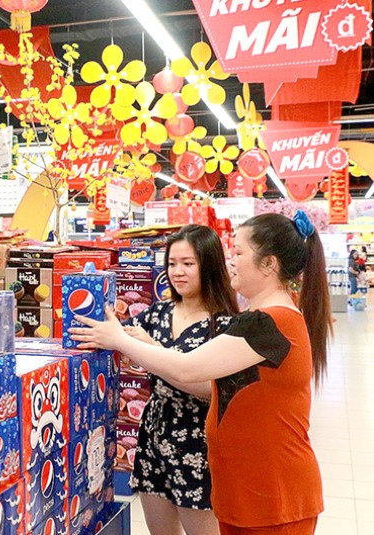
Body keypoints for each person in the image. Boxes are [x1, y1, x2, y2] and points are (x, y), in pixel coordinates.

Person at [71, 211, 330, 535]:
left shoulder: (269, 322)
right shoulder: (263, 318)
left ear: (268, 264)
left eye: (238, 253)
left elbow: (188, 368)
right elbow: (197, 376)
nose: (230, 261)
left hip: (271, 494)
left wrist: (119, 339)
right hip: (248, 488)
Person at [123, 225, 238, 535]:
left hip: (198, 442)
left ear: (209, 265)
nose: (177, 272)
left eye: (188, 263)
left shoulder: (226, 324)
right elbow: (117, 336)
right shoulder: (156, 313)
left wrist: (153, 349)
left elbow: (213, 389)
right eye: (172, 263)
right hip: (154, 435)